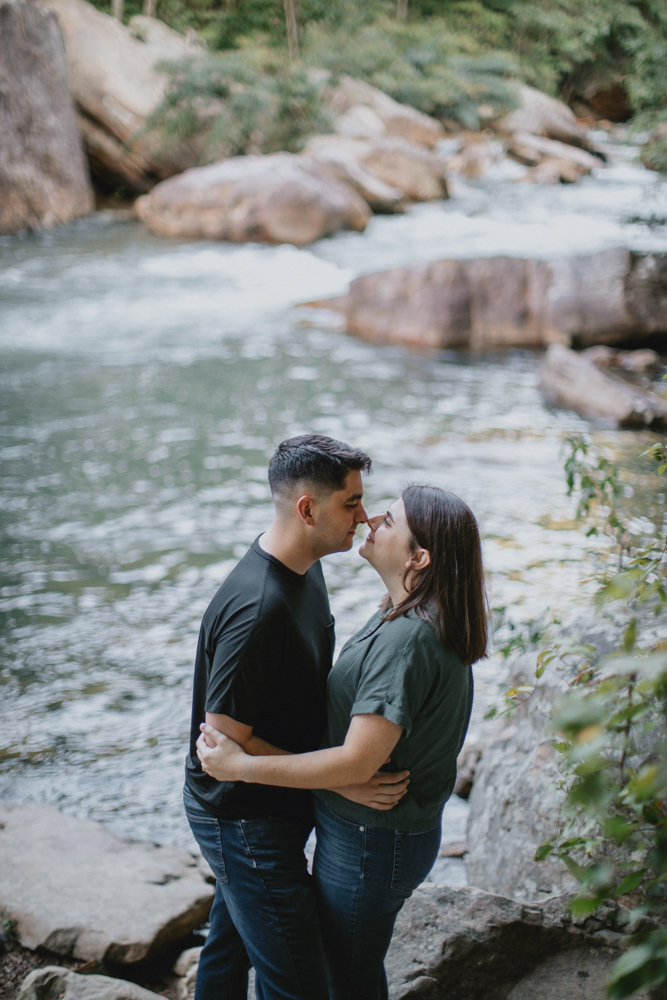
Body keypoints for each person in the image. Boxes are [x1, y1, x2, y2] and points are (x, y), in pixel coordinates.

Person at [197, 484, 488, 1000]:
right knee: (335, 966)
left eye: (390, 520)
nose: (371, 520)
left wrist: (241, 765)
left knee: (339, 978)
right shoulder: (408, 612)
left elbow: (358, 760)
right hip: (377, 836)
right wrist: (344, 785)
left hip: (372, 843)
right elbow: (353, 756)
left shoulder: (408, 640)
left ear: (419, 557)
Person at [183, 433, 409, 1000]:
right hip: (244, 819)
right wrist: (345, 777)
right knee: (300, 983)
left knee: (228, 948)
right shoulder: (259, 610)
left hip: (272, 807)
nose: (366, 515)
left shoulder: (306, 568)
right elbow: (224, 747)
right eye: (351, 503)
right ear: (308, 509)